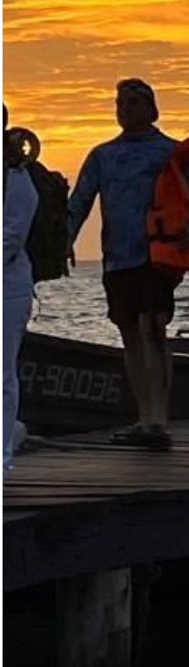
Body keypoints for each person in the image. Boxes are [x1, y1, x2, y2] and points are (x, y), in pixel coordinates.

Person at [67, 79, 189, 448]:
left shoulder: (170, 152)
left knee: (153, 326)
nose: (123, 109)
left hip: (156, 256)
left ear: (150, 107)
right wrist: (65, 239)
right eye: (119, 103)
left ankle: (159, 418)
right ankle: (143, 416)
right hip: (116, 256)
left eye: (131, 102)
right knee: (129, 332)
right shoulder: (102, 155)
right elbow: (80, 200)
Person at [3, 105, 38, 470]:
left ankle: (3, 456)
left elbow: (11, 236)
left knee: (3, 374)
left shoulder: (17, 181)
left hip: (8, 289)